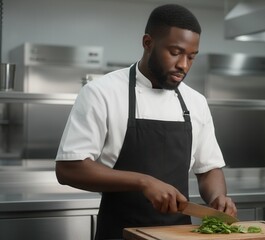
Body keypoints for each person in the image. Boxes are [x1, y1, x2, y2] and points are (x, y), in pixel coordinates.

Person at [55, 4, 237, 239]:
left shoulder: (196, 102)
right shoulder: (102, 92)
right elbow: (69, 168)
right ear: (148, 43)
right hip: (119, 233)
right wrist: (143, 181)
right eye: (175, 52)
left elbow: (209, 168)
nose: (183, 65)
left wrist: (217, 198)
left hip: (180, 234)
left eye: (191, 57)